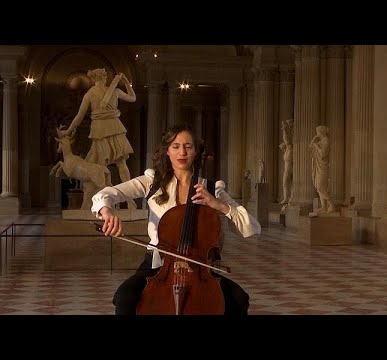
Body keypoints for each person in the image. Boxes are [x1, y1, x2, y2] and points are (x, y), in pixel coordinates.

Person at [91, 123, 261, 315]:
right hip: (158, 266)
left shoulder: (211, 189)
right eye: (176, 146)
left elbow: (253, 227)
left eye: (188, 146)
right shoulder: (152, 183)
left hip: (200, 268)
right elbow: (107, 194)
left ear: (196, 152)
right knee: (125, 297)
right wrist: (107, 212)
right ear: (167, 151)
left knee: (239, 299)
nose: (182, 152)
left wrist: (219, 205)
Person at [59, 68, 136, 186]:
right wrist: (125, 82)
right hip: (115, 127)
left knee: (98, 165)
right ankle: (129, 196)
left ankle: (100, 196)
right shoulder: (115, 91)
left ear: (93, 79)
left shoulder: (89, 94)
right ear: (104, 78)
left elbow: (79, 117)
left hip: (99, 130)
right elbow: (132, 98)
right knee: (121, 162)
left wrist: (69, 131)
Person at [309, 125, 335, 214]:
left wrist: (316, 145)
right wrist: (313, 140)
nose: (317, 134)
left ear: (321, 132)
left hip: (323, 166)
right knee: (318, 187)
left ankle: (331, 205)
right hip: (317, 166)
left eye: (317, 132)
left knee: (321, 186)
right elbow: (310, 148)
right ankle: (324, 207)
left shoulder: (326, 141)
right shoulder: (320, 141)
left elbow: (323, 154)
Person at [279, 119, 293, 205]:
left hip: (289, 168)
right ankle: (286, 198)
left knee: (286, 182)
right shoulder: (287, 150)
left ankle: (287, 198)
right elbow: (286, 138)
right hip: (288, 168)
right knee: (286, 183)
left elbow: (287, 138)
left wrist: (285, 129)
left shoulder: (290, 148)